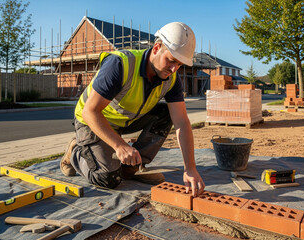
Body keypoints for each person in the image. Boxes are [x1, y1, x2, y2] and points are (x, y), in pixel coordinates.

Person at [60, 22, 205, 197]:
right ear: (157, 47)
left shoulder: (171, 79)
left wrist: (190, 168)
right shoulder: (120, 64)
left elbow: (182, 122)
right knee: (107, 179)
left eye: (180, 65)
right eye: (172, 60)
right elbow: (89, 112)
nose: (174, 69)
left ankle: (133, 165)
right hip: (92, 122)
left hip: (125, 121)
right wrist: (119, 145)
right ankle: (75, 151)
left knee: (166, 114)